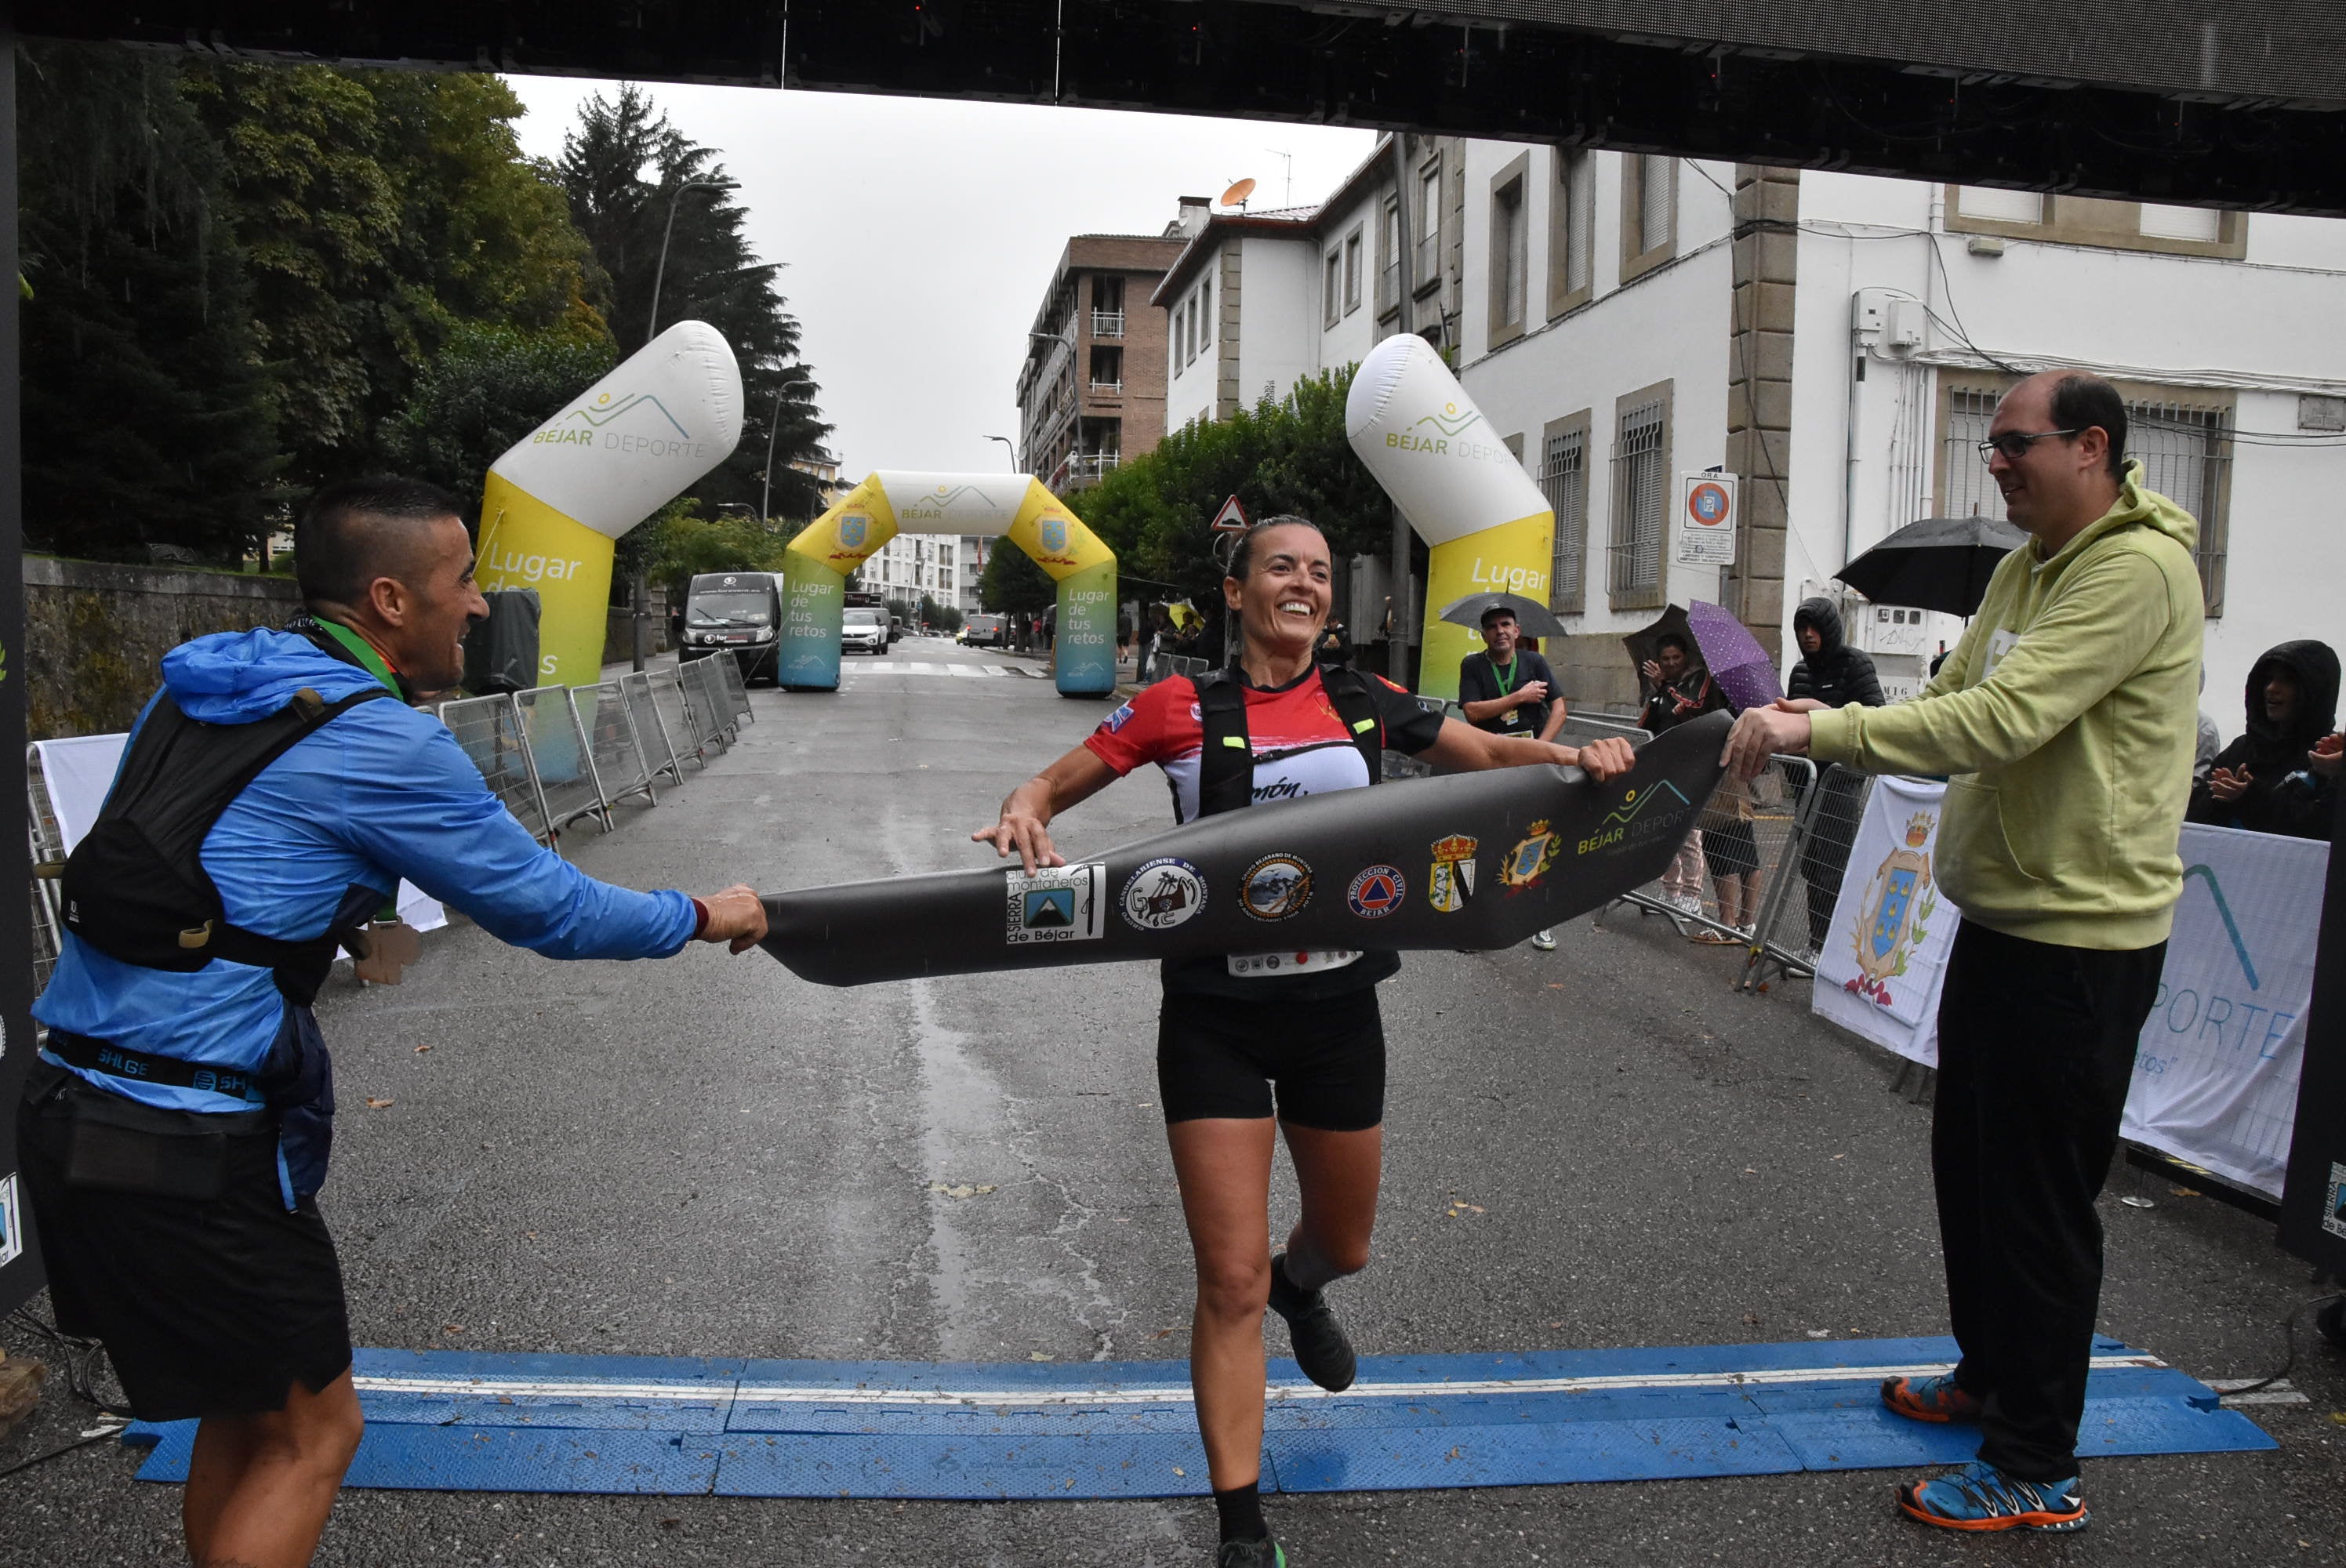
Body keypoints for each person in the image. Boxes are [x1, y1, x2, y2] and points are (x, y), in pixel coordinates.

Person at [16, 476, 768, 1568]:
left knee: (247, 1412)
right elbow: (552, 910)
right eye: (462, 580)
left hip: (71, 1102)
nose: (479, 604)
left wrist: (352, 916)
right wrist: (703, 913)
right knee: (316, 1434)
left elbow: (221, 858)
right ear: (389, 600)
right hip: (188, 1141)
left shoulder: (200, 690)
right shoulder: (378, 741)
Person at [972, 516, 1634, 1567]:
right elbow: (1049, 785)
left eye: (1320, 572)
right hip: (1214, 1018)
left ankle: (1303, 1285)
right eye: (1282, 566)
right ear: (1236, 591)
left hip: (1337, 1014)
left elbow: (1492, 754)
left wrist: (1580, 758)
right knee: (1227, 1280)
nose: (1305, 583)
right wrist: (1024, 808)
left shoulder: (1366, 699)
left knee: (1342, 1245)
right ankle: (1242, 1528)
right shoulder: (1175, 705)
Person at [1723, 371, 2203, 1534]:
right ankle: (1990, 1374)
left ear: (2091, 446)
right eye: (1990, 443)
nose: (1994, 461)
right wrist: (1851, 715)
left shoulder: (2137, 570)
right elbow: (1952, 691)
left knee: (2039, 1205)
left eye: (2014, 442)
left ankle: (2037, 1462)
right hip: (2000, 920)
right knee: (1974, 1175)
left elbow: (1999, 718)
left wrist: (1816, 723)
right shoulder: (2025, 569)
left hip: (2079, 940)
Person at [1458, 606, 1567, 949]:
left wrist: (1542, 747)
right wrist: (1518, 697)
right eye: (1491, 627)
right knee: (1487, 838)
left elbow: (1560, 708)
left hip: (1531, 765)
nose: (1499, 631)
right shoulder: (1473, 665)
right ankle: (1477, 923)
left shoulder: (1535, 662)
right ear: (1483, 635)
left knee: (1536, 838)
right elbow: (1472, 712)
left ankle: (1537, 920)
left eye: (1505, 624)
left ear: (1517, 630)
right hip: (1489, 762)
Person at [1786, 598, 1887, 956]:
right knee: (1812, 867)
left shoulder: (1855, 664)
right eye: (1802, 628)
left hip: (1840, 785)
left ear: (1830, 629)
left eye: (1815, 627)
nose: (1808, 635)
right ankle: (1818, 944)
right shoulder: (1799, 672)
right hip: (1807, 785)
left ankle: (1834, 950)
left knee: (1834, 868)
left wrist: (1826, 718)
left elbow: (1876, 716)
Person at [2187, 640, 2339, 841]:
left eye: (2287, 681)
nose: (2271, 688)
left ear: (2314, 691)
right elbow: (2194, 817)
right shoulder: (2242, 750)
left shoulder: (2329, 758)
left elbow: (2319, 829)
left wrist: (2251, 798)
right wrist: (2221, 798)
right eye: (2269, 679)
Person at [1639, 632, 1723, 918]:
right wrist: (1655, 691)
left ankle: (1692, 895)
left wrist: (1664, 686)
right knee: (1664, 828)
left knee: (1688, 833)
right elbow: (1649, 722)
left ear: (1686, 657)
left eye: (1676, 657)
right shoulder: (1662, 686)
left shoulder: (1699, 678)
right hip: (1663, 764)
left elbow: (1696, 707)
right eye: (1665, 659)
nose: (1671, 663)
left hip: (1690, 765)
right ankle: (1670, 890)